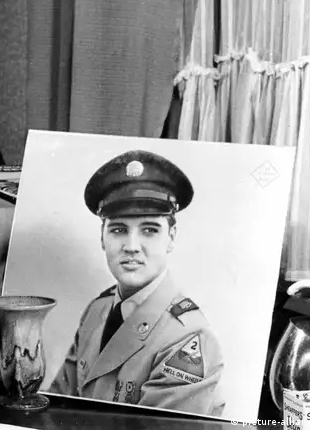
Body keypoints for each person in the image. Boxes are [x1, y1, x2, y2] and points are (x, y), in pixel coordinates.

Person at [47, 150, 225, 416]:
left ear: (171, 237)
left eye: (149, 230)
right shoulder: (97, 310)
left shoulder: (187, 339)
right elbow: (58, 404)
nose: (131, 246)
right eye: (118, 230)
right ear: (102, 237)